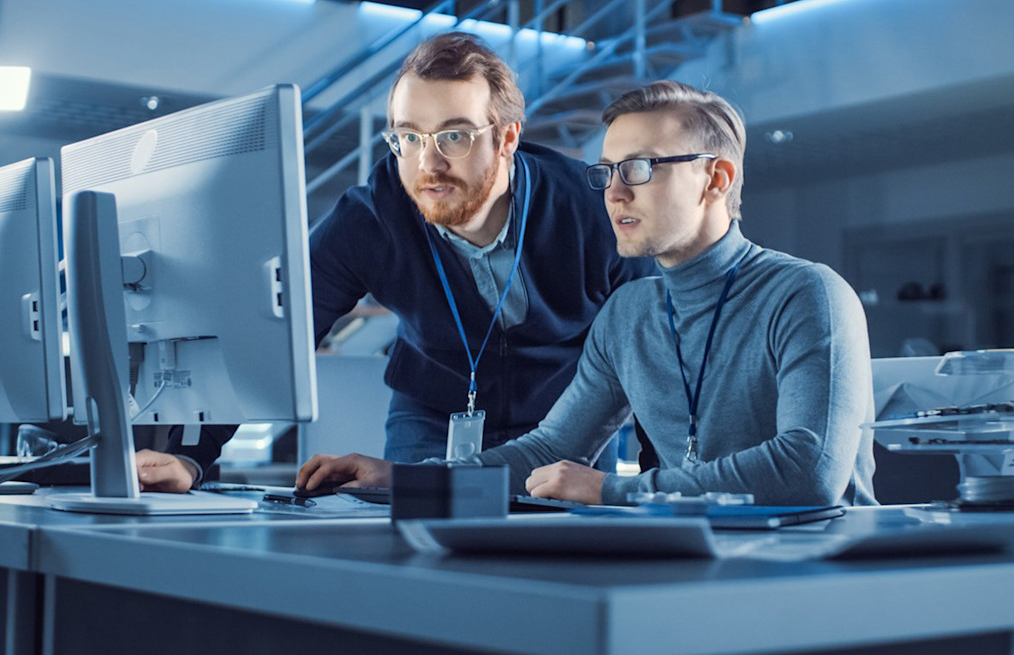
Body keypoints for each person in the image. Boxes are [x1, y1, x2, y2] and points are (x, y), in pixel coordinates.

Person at [298, 80, 877, 507]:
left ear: (716, 179)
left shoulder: (808, 294)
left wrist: (615, 489)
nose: (615, 194)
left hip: (820, 564)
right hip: (707, 560)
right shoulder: (630, 313)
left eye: (641, 168)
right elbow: (548, 448)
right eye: (606, 172)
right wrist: (403, 477)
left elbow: (811, 470)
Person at [135, 32, 653, 492]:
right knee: (417, 559)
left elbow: (652, 350)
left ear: (507, 137)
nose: (428, 163)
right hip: (431, 414)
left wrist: (664, 484)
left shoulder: (592, 211)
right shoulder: (371, 217)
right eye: (409, 136)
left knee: (562, 568)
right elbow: (275, 337)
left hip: (560, 422)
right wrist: (191, 456)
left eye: (454, 135)